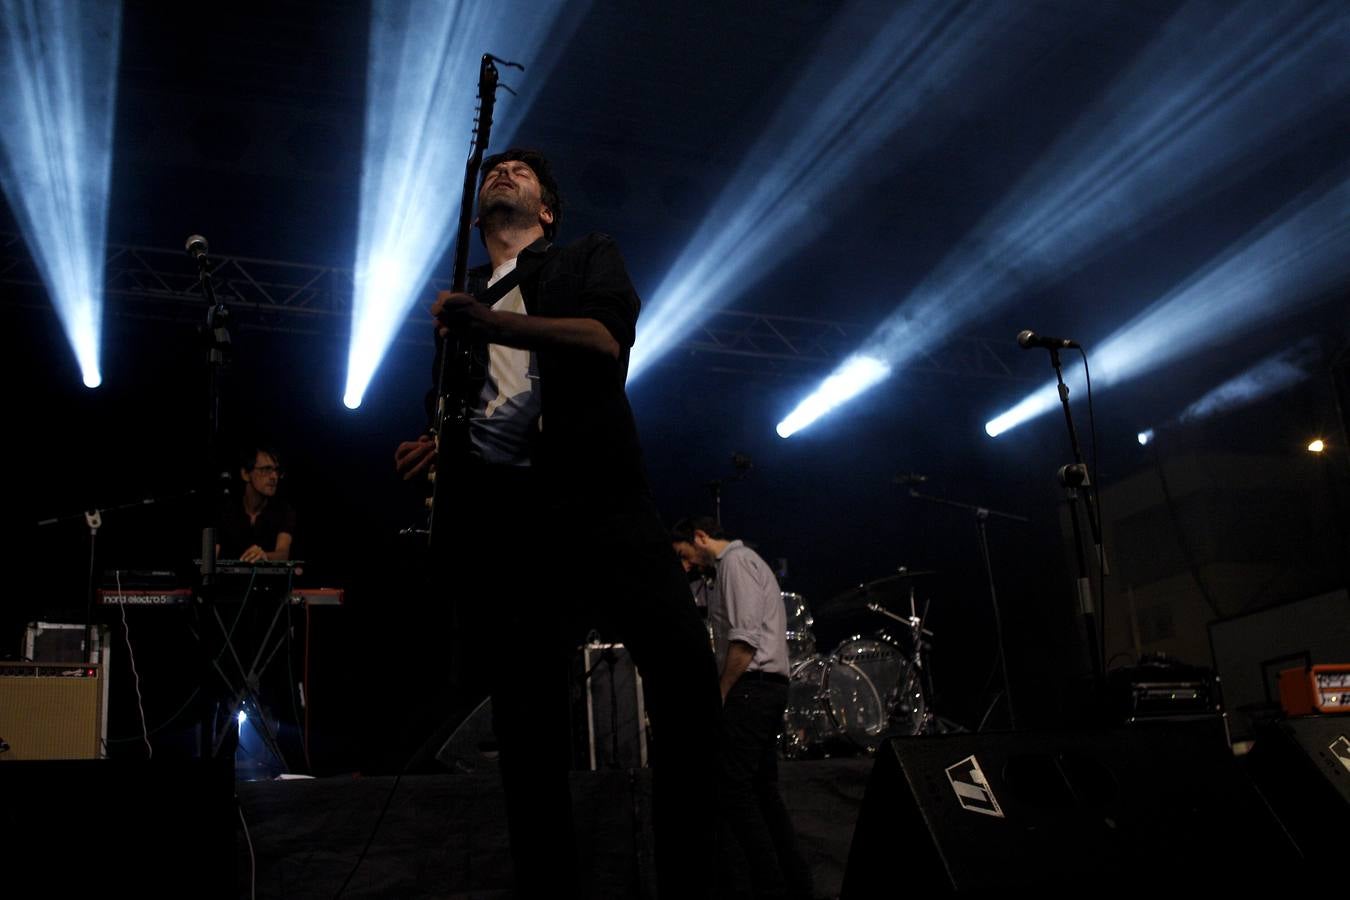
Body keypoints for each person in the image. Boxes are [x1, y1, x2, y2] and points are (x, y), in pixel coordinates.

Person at [394, 148, 722, 899]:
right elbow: (459, 405)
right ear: (479, 216)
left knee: (682, 677)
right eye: (494, 170)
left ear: (546, 211)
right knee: (527, 724)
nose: (503, 172)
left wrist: (490, 324)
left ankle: (692, 875)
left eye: (522, 171)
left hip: (604, 499)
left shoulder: (581, 260)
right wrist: (434, 448)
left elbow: (607, 342)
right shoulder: (463, 299)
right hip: (514, 527)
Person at [671, 516, 813, 900]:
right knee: (762, 789)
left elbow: (745, 641)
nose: (685, 566)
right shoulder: (727, 570)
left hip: (753, 689)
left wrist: (721, 693)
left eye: (684, 554)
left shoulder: (736, 562)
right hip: (763, 689)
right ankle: (794, 882)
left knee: (734, 786)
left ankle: (770, 884)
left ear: (699, 537)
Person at [216, 445, 294, 562]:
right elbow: (211, 556)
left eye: (276, 470)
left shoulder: (283, 511)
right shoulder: (226, 510)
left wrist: (264, 556)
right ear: (245, 474)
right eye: (266, 470)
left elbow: (283, 554)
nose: (274, 476)